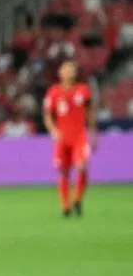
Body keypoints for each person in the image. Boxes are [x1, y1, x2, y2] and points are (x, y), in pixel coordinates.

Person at [42, 60, 97, 217]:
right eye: (66, 69)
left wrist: (93, 131)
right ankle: (65, 206)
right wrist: (53, 130)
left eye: (72, 69)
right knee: (64, 172)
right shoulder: (54, 92)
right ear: (60, 73)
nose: (69, 72)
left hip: (79, 136)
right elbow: (48, 116)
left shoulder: (83, 90)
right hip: (62, 138)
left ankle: (78, 199)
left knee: (82, 166)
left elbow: (90, 112)